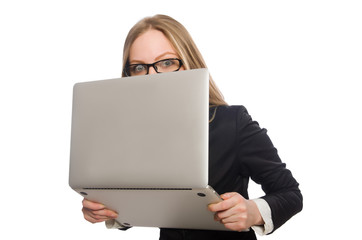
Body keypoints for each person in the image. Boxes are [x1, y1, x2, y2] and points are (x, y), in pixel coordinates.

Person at [81, 14, 303, 240]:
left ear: (189, 64)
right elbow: (149, 202)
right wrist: (106, 210)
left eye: (166, 63)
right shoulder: (134, 135)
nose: (151, 76)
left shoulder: (232, 122)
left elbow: (291, 194)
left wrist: (254, 212)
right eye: (138, 67)